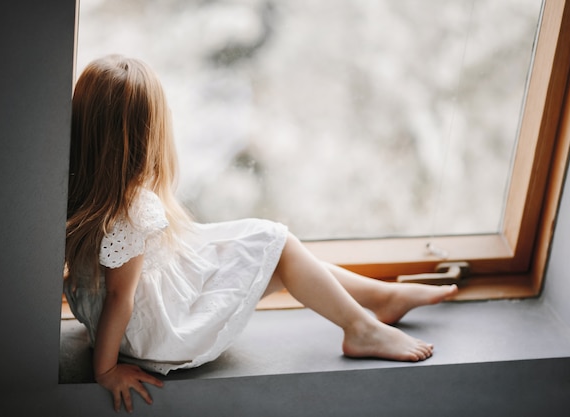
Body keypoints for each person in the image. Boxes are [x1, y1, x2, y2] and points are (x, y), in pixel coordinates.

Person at [64, 54, 458, 413]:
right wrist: (107, 370)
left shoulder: (76, 191)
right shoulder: (136, 210)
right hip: (156, 334)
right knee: (276, 245)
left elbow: (108, 289)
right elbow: (121, 296)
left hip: (138, 315)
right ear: (148, 134)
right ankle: (362, 327)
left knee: (268, 252)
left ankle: (381, 298)